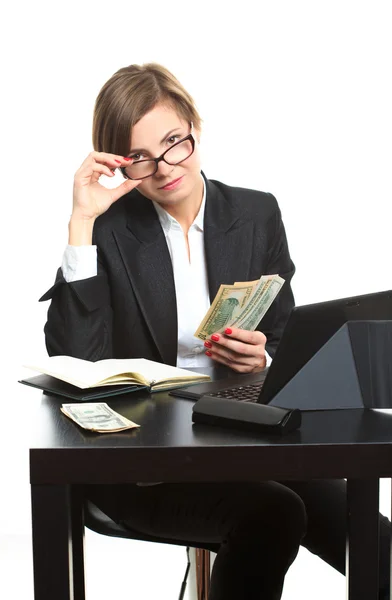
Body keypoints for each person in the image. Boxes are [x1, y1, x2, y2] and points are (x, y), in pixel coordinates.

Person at [40, 63, 390, 600]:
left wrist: (262, 359)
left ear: (194, 128)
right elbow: (78, 365)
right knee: (273, 512)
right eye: (140, 158)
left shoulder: (255, 213)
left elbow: (278, 333)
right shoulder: (107, 230)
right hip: (142, 457)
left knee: (368, 532)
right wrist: (81, 224)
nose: (163, 168)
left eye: (174, 142)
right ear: (120, 163)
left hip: (242, 433)